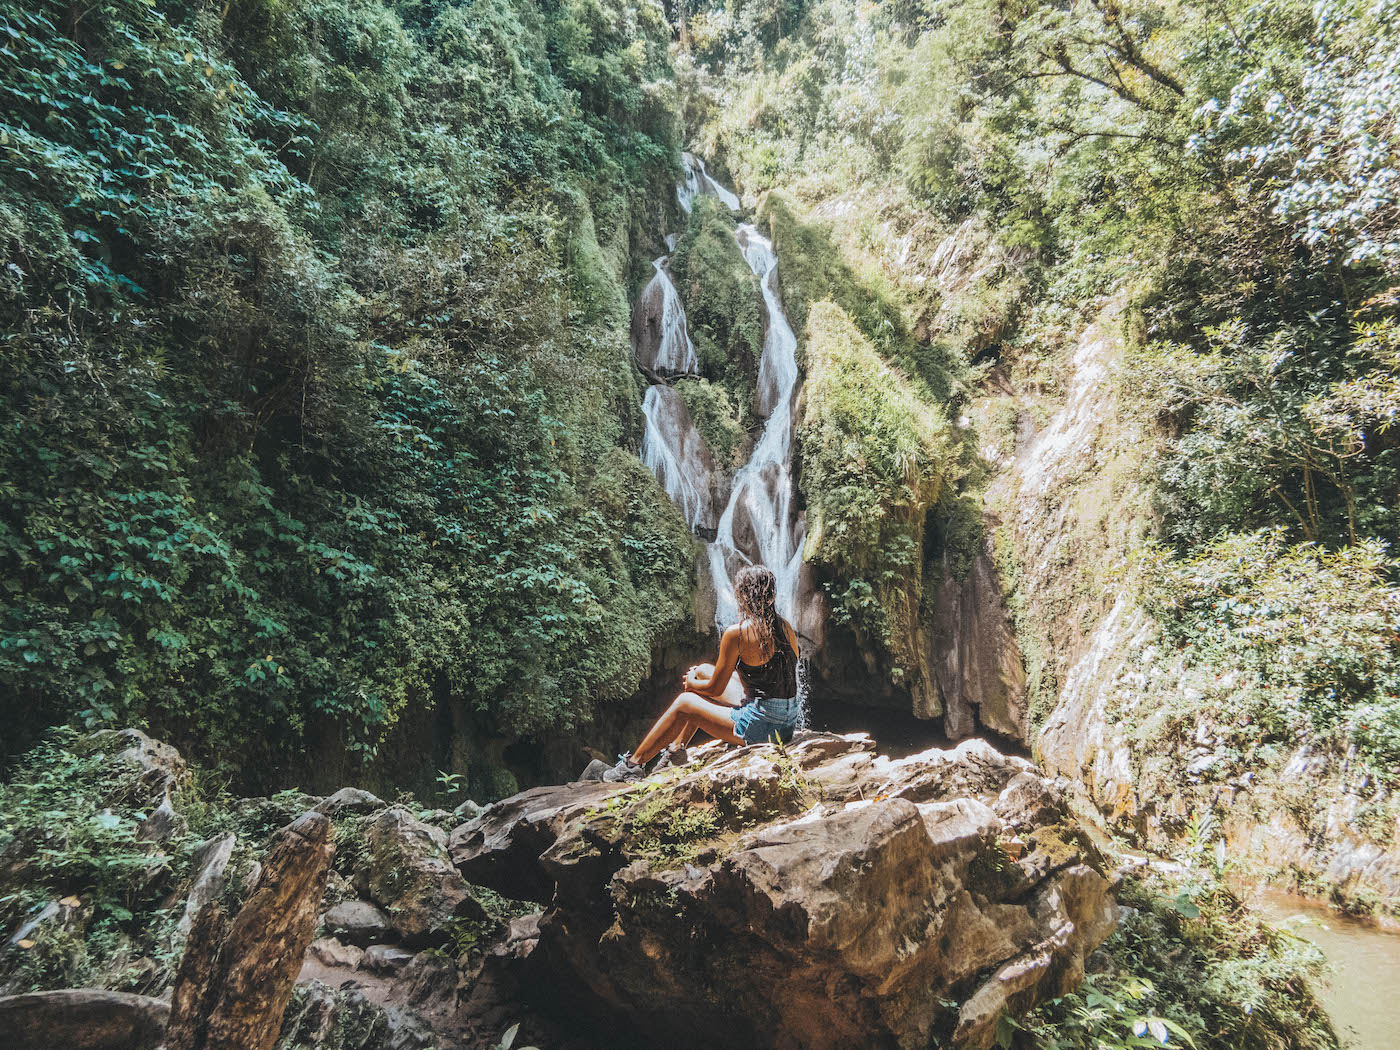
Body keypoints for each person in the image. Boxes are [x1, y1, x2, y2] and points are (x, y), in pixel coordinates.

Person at [604, 565, 802, 782]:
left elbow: (715, 689)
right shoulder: (785, 627)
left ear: (743, 597)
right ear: (771, 596)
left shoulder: (737, 633)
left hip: (764, 728)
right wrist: (698, 678)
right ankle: (675, 751)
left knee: (685, 702)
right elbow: (775, 677)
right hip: (787, 722)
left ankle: (631, 767)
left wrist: (690, 683)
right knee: (703, 671)